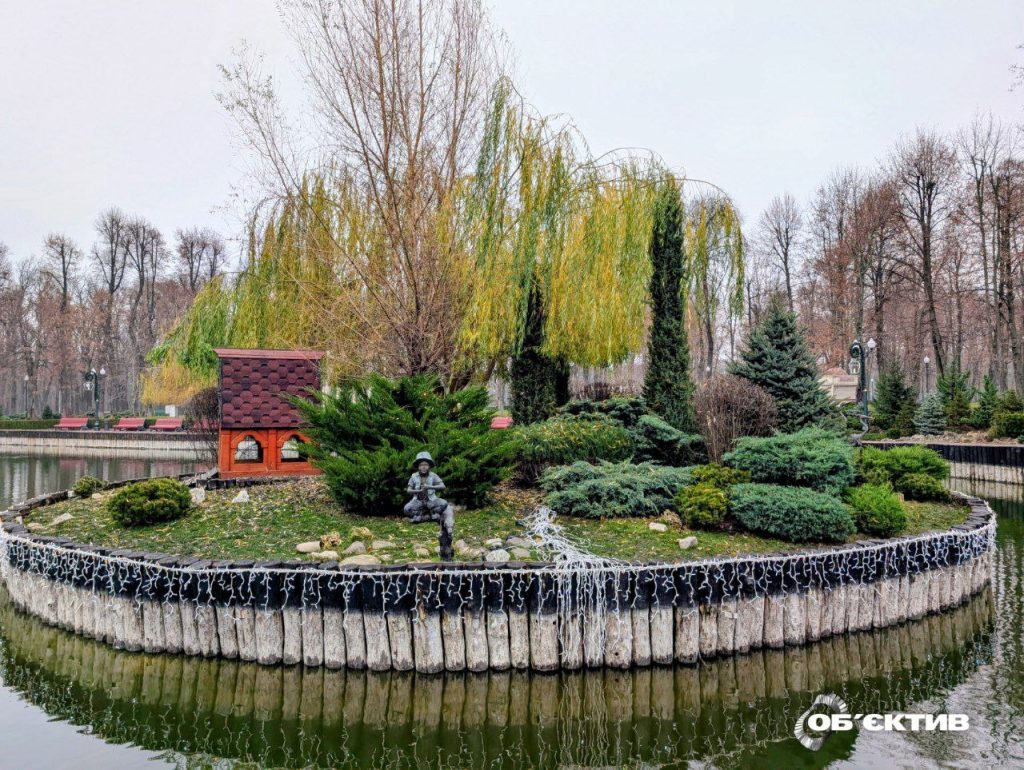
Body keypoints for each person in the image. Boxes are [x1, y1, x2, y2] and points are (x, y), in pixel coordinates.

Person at [403, 451, 448, 522]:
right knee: (407, 509)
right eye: (421, 465)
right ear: (418, 466)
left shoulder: (433, 475)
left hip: (431, 500)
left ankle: (425, 516)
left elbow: (443, 486)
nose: (423, 467)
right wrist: (419, 491)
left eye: (426, 465)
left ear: (429, 466)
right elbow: (409, 490)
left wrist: (430, 487)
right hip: (418, 501)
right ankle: (426, 516)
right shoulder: (414, 476)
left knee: (444, 503)